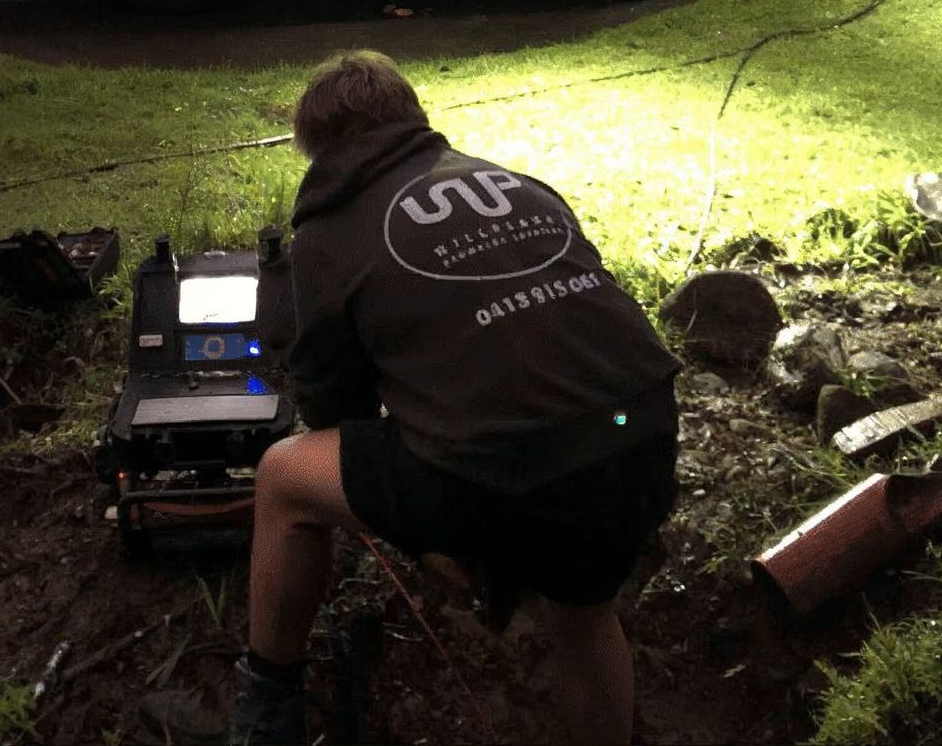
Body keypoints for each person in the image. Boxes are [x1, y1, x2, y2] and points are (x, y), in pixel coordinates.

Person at [227, 50, 680, 745]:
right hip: (641, 426)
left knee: (286, 478)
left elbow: (331, 408)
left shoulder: (326, 236)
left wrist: (428, 539)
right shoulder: (518, 183)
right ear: (414, 119)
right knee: (582, 613)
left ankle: (268, 708)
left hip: (505, 467)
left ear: (315, 147)